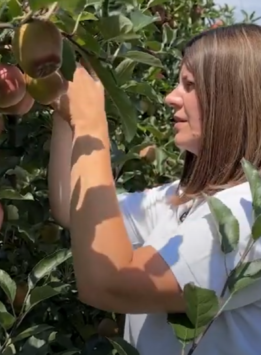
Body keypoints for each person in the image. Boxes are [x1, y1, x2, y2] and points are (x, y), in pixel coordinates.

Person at [48, 23, 261, 355]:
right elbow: (74, 209)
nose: (171, 97)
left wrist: (91, 124)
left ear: (233, 97)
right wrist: (66, 112)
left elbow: (111, 283)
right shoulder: (185, 199)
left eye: (189, 85)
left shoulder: (247, 212)